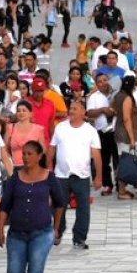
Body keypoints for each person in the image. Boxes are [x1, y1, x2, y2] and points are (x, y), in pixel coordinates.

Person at [0, 141, 66, 273]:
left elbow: (60, 203)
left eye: (29, 154)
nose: (25, 157)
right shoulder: (15, 179)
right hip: (17, 234)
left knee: (35, 271)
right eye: (24, 154)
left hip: (41, 233)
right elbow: (4, 206)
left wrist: (56, 227)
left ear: (39, 156)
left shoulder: (49, 178)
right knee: (13, 272)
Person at [48, 97, 103, 250]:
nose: (71, 111)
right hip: (61, 175)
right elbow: (51, 149)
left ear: (84, 113)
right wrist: (48, 171)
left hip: (82, 175)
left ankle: (79, 238)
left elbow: (96, 155)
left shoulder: (90, 131)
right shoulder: (60, 127)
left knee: (83, 208)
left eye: (75, 109)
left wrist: (99, 177)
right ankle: (58, 231)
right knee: (59, 206)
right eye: (70, 108)